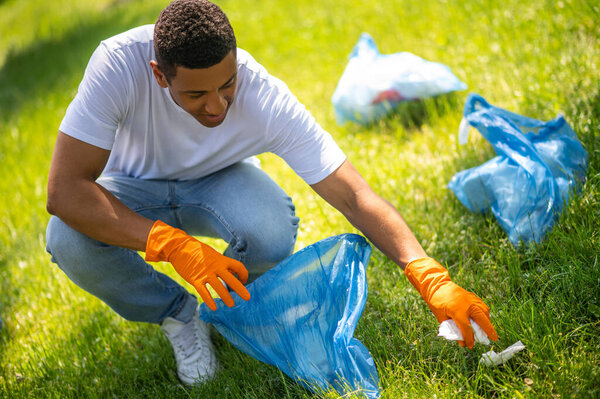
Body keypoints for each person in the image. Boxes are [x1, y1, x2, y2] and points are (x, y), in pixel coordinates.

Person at [45, 0, 498, 386]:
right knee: (66, 238)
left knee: (271, 226)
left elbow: (354, 196)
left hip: (217, 180)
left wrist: (428, 274)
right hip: (131, 188)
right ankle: (179, 314)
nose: (218, 106)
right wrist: (171, 244)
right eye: (197, 94)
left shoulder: (264, 97)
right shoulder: (117, 65)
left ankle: (236, 308)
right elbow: (65, 191)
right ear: (159, 76)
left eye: (227, 85)